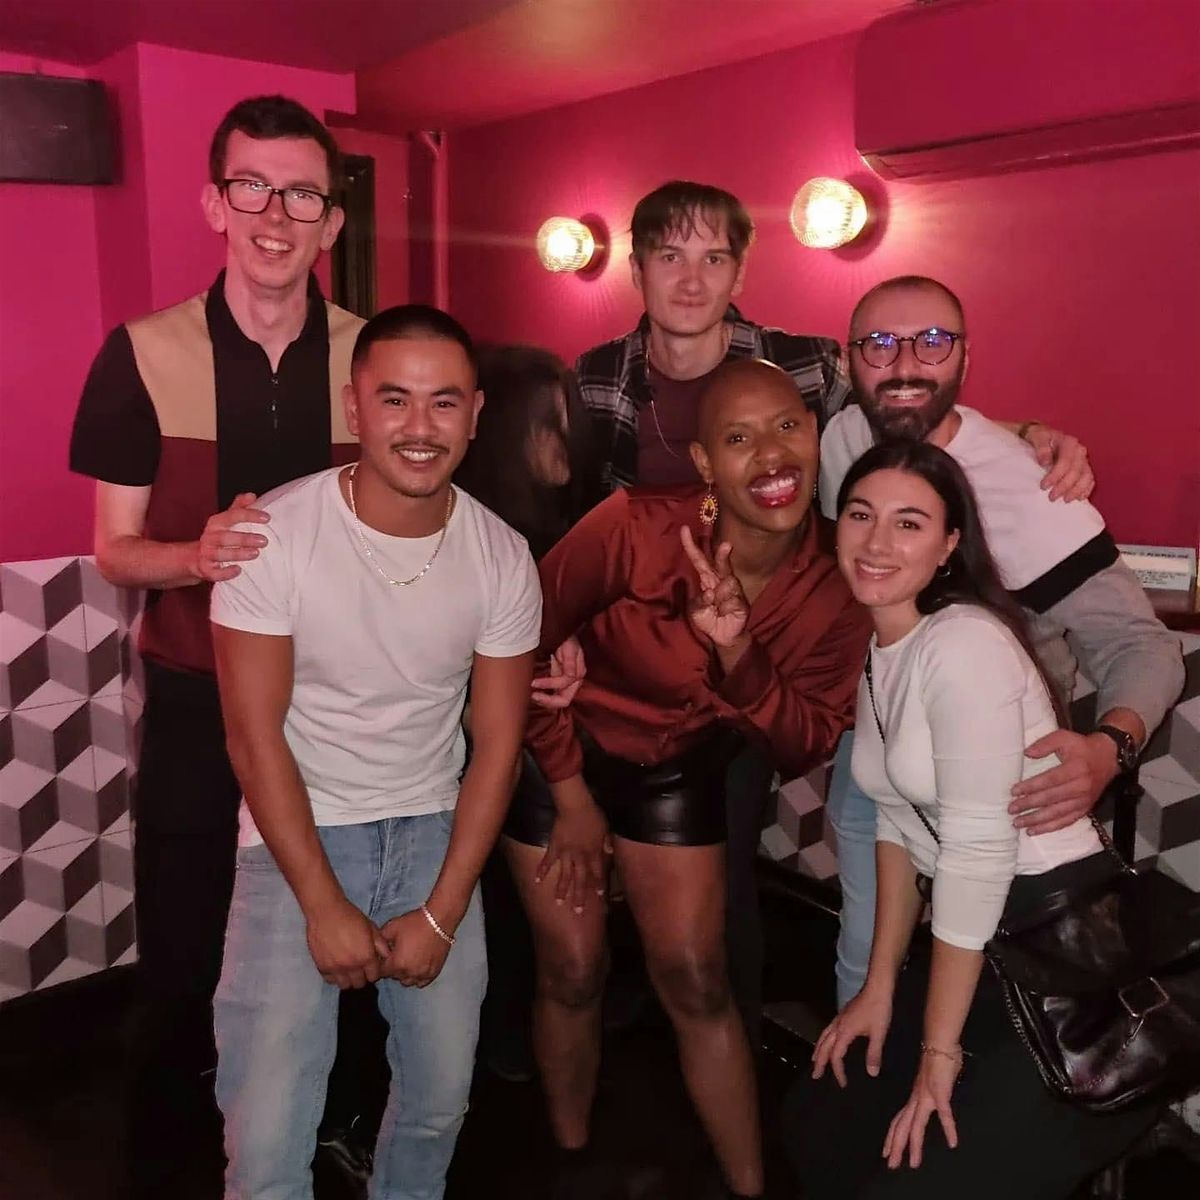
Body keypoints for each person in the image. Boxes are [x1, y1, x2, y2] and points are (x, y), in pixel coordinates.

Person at [569, 182, 1094, 1041]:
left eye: (713, 257)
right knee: (607, 868)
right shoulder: (596, 378)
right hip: (633, 666)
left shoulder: (807, 364)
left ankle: (735, 1030)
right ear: (638, 269)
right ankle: (650, 998)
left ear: (742, 270)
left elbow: (916, 411)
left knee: (726, 867)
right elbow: (578, 510)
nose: (692, 280)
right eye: (670, 256)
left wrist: (1032, 433)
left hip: (759, 654)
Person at [67, 94, 361, 1188]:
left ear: (333, 221)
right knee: (186, 955)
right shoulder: (141, 354)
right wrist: (199, 554)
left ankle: (332, 1130)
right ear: (214, 203)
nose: (274, 215)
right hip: (198, 700)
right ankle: (170, 1162)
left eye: (301, 194)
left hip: (339, 704)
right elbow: (114, 551)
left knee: (342, 934)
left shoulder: (377, 358)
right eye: (252, 187)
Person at [508, 358, 871, 1198]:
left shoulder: (837, 581)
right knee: (573, 969)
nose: (771, 455)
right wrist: (570, 796)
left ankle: (750, 1185)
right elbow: (513, 642)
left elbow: (802, 742)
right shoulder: (635, 525)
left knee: (700, 982)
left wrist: (738, 651)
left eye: (787, 426)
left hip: (676, 768)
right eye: (739, 439)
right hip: (558, 749)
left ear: (815, 436)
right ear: (705, 463)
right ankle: (569, 1161)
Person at [209, 305, 541, 1198]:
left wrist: (443, 911)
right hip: (295, 830)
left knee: (438, 1102)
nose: (419, 427)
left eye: (444, 402)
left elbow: (498, 747)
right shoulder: (272, 535)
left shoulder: (502, 555)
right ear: (354, 408)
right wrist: (322, 902)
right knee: (266, 1137)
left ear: (475, 414)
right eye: (395, 399)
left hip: (433, 828)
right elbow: (253, 736)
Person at [783, 440, 1157, 1198]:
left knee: (918, 1174)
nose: (877, 542)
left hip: (1065, 947)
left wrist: (939, 1055)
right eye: (860, 514)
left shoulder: (962, 644)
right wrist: (879, 988)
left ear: (951, 543)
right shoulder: (887, 645)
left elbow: (977, 858)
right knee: (817, 1125)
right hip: (985, 938)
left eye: (909, 523)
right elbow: (896, 825)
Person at [818, 275, 1185, 1007]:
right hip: (883, 767)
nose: (904, 366)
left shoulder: (1035, 492)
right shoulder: (844, 439)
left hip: (1009, 805)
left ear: (965, 356)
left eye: (932, 342)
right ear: (849, 359)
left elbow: (1144, 645)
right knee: (863, 970)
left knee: (1003, 1003)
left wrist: (1108, 750)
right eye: (879, 345)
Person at [454, 345, 599, 1084]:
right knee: (519, 929)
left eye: (568, 417)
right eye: (548, 422)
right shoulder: (490, 541)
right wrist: (573, 799)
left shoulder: (570, 521)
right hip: (508, 767)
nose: (566, 437)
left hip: (547, 763)